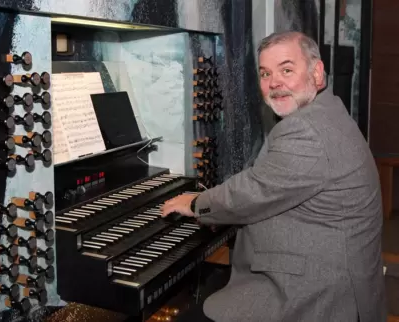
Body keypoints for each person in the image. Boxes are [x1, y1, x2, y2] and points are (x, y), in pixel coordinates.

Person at [162, 31, 386, 322]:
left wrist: (197, 203)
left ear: (317, 73)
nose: (274, 83)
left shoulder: (306, 130)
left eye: (287, 70)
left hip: (318, 293)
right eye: (265, 73)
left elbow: (254, 191)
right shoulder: (328, 111)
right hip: (334, 271)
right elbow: (268, 180)